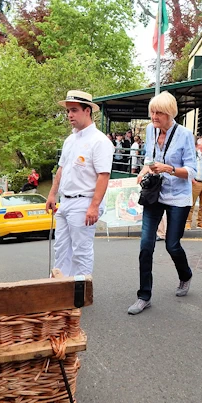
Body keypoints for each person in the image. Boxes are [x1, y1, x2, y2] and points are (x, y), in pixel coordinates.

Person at [127, 91, 197, 315]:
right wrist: (145, 170)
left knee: (172, 245)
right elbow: (149, 158)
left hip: (178, 196)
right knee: (146, 245)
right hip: (155, 194)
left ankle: (185, 275)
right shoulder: (150, 130)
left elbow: (192, 172)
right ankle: (144, 296)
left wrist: (168, 169)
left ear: (170, 113)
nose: (154, 116)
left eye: (158, 113)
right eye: (152, 112)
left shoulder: (185, 134)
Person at [46, 90, 114, 277]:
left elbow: (103, 175)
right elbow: (61, 169)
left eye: (74, 110)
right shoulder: (70, 140)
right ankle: (60, 290)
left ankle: (80, 291)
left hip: (84, 201)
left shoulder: (99, 141)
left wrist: (94, 206)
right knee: (60, 248)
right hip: (66, 201)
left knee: (80, 250)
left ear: (87, 111)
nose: (69, 115)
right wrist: (52, 194)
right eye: (68, 111)